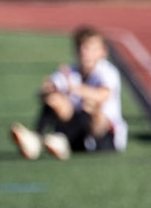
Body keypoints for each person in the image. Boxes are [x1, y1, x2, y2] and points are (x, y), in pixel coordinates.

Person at [11, 27, 126, 159]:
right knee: (54, 99)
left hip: (103, 135)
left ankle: (63, 141)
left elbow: (103, 95)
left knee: (90, 104)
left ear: (103, 52)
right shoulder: (70, 71)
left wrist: (75, 88)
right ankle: (36, 139)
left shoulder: (107, 71)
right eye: (81, 47)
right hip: (76, 127)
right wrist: (49, 91)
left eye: (90, 48)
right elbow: (43, 93)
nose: (85, 52)